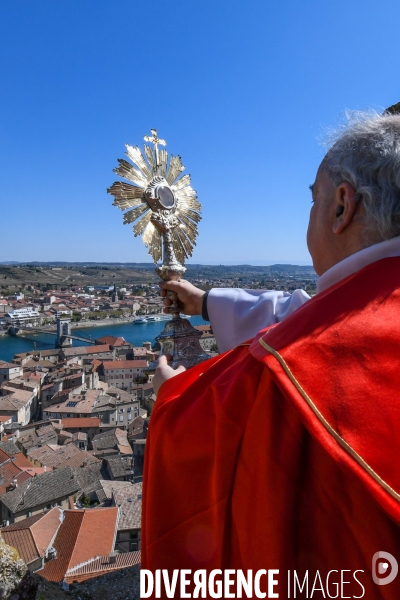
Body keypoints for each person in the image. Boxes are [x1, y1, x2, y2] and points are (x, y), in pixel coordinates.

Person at [142, 111, 400, 598]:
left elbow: (206, 453)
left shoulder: (288, 368)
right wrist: (206, 301)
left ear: (342, 206)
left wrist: (173, 400)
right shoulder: (375, 301)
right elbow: (299, 312)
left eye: (313, 197)